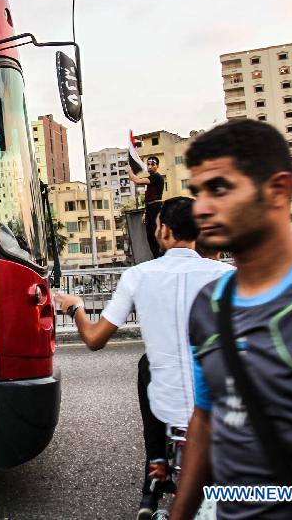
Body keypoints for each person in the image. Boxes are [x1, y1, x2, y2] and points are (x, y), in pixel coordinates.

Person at [170, 120, 292, 520]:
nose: (201, 208)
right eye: (197, 192)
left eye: (219, 188)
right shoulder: (209, 304)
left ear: (277, 190)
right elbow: (205, 420)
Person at [56, 197, 230, 519]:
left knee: (148, 365)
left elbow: (94, 339)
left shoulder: (137, 275)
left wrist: (75, 307)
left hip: (166, 401)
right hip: (216, 402)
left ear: (163, 230)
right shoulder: (227, 276)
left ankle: (154, 475)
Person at [129, 156, 165, 258]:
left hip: (156, 208)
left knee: (156, 234)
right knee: (150, 236)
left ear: (157, 166)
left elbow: (136, 180)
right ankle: (156, 257)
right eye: (148, 164)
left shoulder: (156, 177)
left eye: (152, 164)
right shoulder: (150, 179)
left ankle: (161, 257)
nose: (150, 166)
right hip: (149, 208)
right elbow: (148, 198)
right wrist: (145, 212)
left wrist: (129, 171)